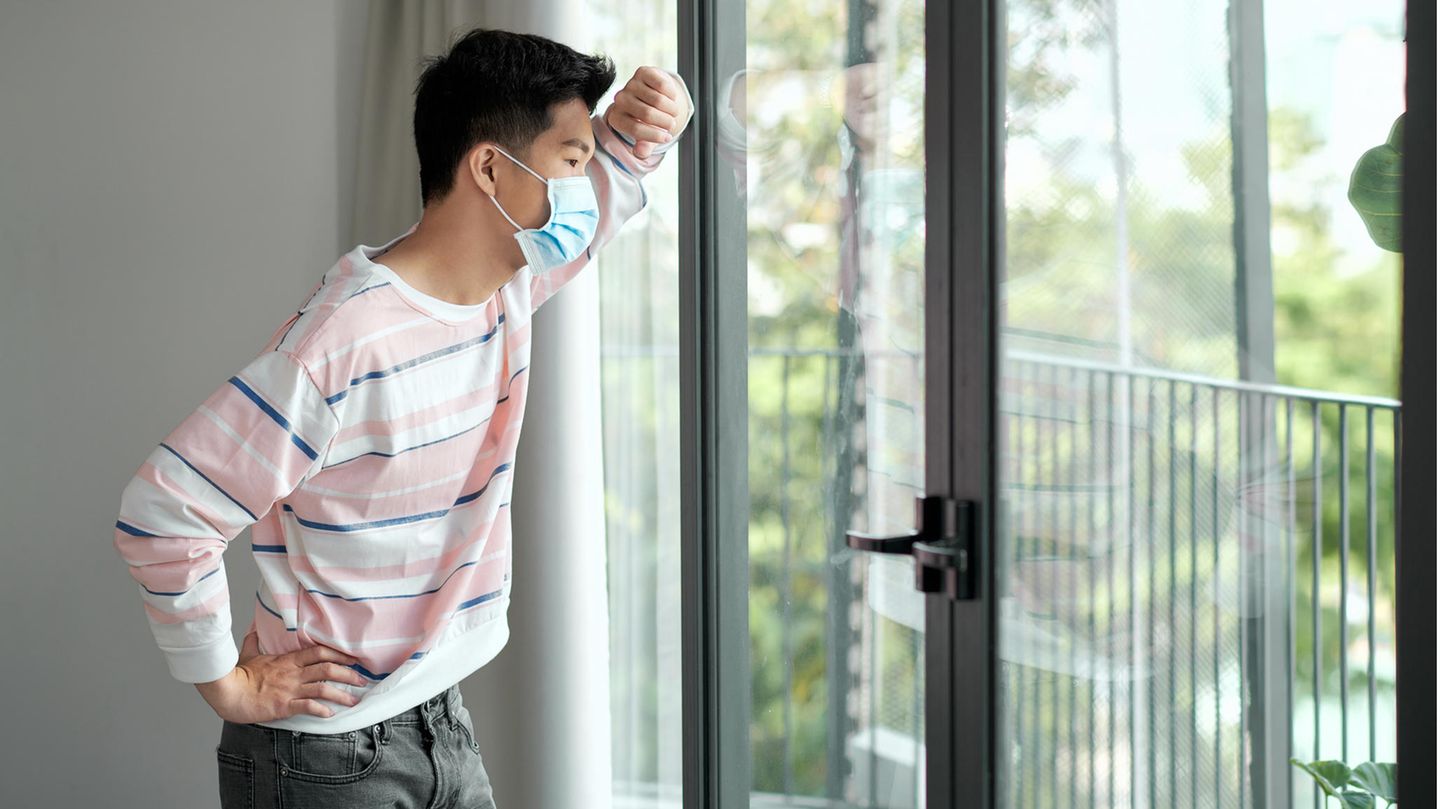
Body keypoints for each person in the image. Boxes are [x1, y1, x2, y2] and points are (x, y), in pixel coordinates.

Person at [110, 26, 692, 809]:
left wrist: (643, 123)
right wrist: (225, 684)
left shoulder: (504, 290)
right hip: (321, 759)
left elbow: (602, 199)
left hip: (440, 718)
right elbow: (164, 511)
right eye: (572, 162)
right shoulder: (339, 345)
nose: (585, 193)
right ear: (490, 167)